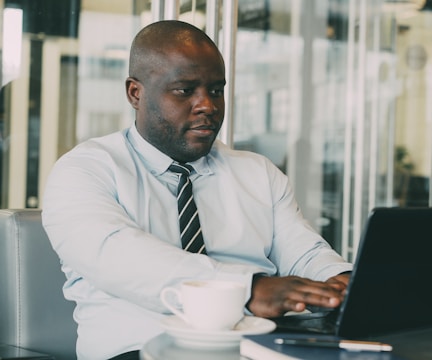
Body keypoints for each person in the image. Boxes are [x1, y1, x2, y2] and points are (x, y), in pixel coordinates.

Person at [41, 20, 352, 360]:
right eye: (185, 90)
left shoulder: (257, 172)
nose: (208, 105)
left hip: (254, 348)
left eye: (216, 89)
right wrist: (246, 290)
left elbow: (303, 252)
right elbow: (117, 255)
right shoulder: (85, 169)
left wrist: (339, 280)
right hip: (139, 348)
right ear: (135, 93)